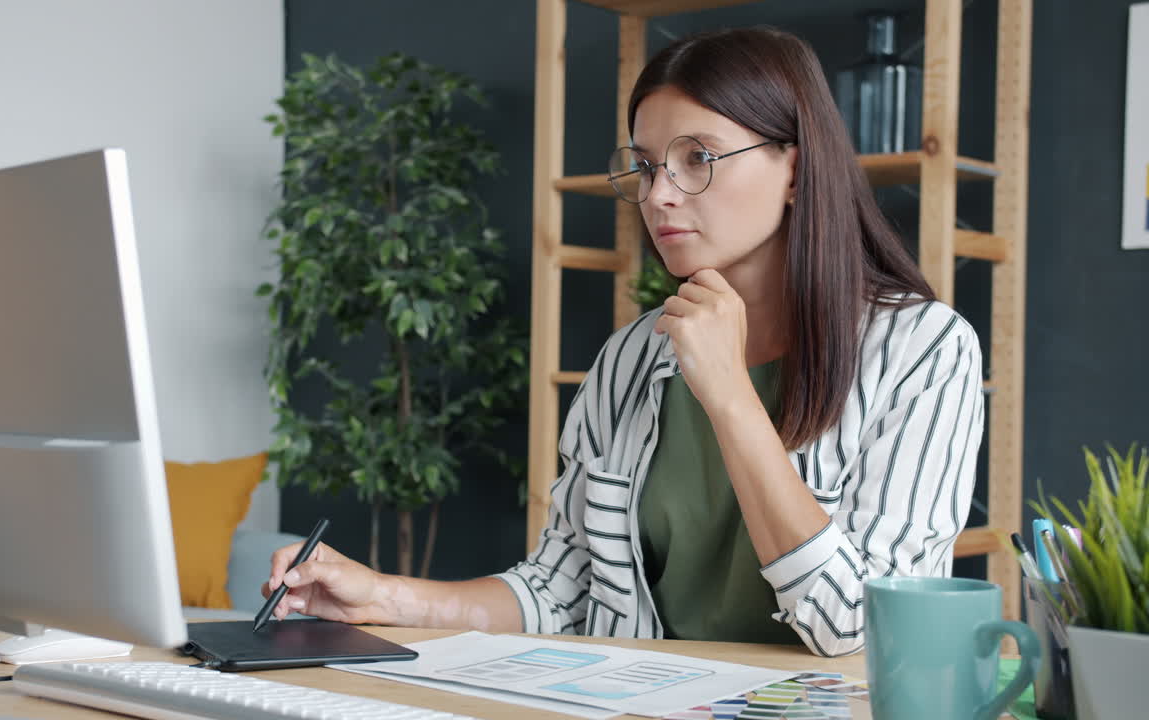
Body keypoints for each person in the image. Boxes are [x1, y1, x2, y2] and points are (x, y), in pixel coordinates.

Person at [261, 26, 984, 657]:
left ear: (794, 167)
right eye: (644, 165)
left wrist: (731, 396)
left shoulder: (925, 352)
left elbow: (856, 623)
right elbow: (557, 590)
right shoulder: (633, 357)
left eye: (697, 157)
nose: (661, 193)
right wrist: (383, 597)